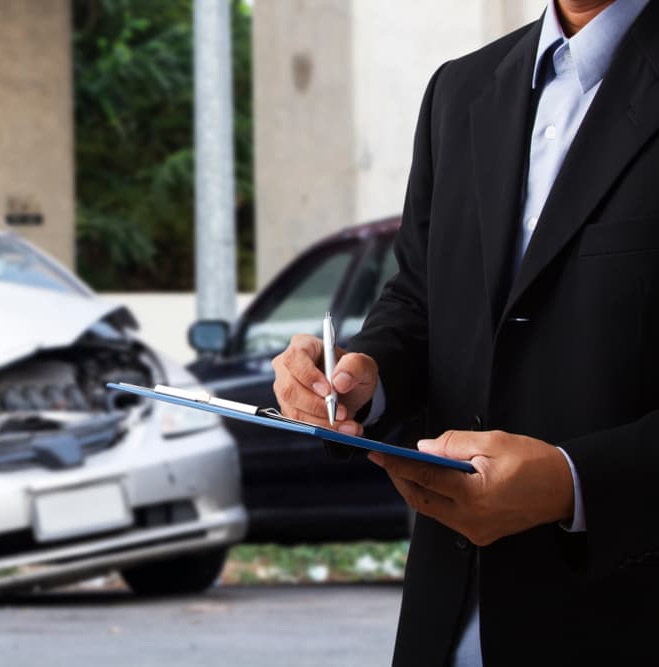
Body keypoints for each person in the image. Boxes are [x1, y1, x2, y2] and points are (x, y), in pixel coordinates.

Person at [271, 0, 659, 663]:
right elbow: (419, 295)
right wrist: (362, 372)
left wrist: (573, 482)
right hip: (448, 616)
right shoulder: (462, 89)